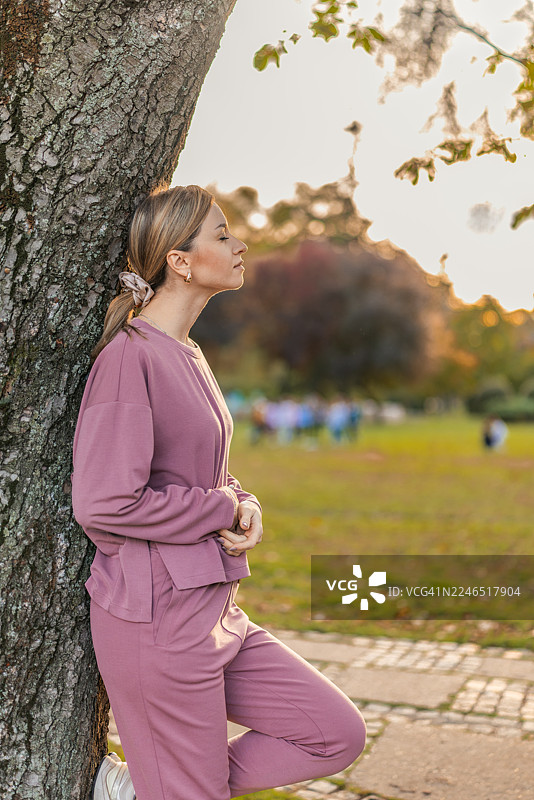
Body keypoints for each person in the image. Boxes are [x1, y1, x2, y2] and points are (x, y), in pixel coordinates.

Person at [71, 185, 366, 800]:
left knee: (335, 733)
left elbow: (205, 471)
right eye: (223, 234)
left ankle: (153, 787)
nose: (240, 245)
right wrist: (221, 507)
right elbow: (104, 504)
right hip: (155, 621)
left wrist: (244, 501)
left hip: (214, 609)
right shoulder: (129, 359)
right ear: (180, 260)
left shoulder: (189, 353)